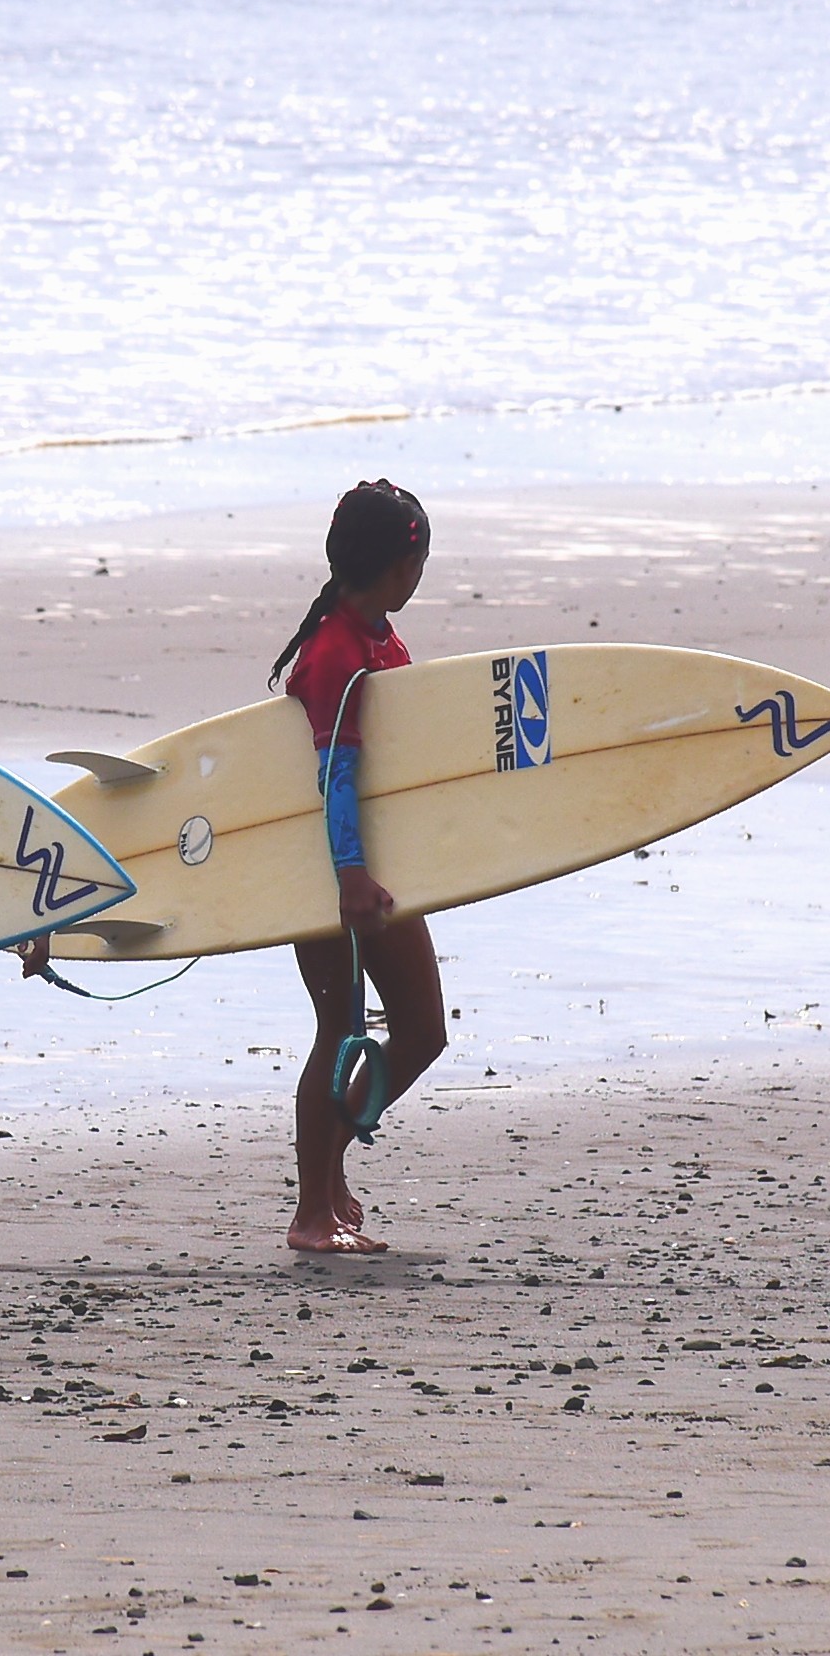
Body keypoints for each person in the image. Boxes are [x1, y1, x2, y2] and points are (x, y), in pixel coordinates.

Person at [267, 481, 450, 1253]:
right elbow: (335, 777)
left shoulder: (376, 638)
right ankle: (312, 1211)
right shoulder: (335, 653)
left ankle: (328, 1170)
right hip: (329, 871)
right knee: (339, 1029)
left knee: (422, 1031)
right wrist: (348, 875)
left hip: (378, 866)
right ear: (402, 567)